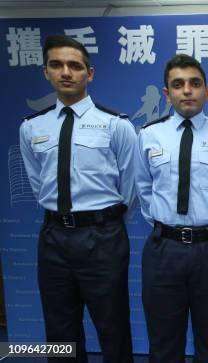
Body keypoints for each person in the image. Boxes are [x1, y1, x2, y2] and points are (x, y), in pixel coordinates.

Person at [19, 34, 136, 363]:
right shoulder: (31, 128)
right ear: (46, 72)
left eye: (75, 65)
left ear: (90, 73)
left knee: (112, 328)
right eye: (56, 65)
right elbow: (37, 182)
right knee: (59, 332)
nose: (66, 72)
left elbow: (130, 187)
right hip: (54, 238)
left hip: (103, 238)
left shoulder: (116, 125)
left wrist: (102, 222)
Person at [134, 54, 208, 363]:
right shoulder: (148, 135)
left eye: (195, 84)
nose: (187, 91)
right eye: (178, 85)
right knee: (163, 344)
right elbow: (144, 189)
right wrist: (167, 225)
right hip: (163, 250)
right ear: (166, 93)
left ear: (207, 91)